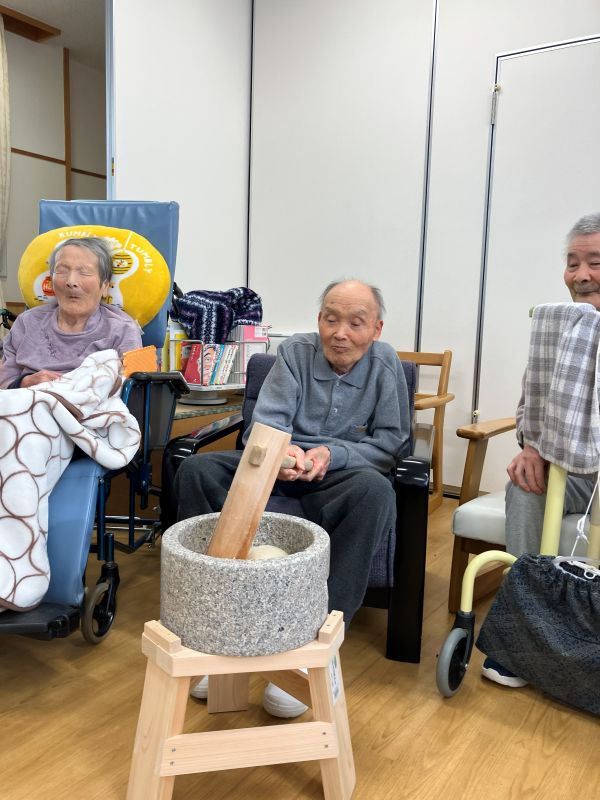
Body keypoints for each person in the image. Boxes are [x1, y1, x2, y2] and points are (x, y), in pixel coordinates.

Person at [174, 279, 411, 716]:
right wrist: (286, 454)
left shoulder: (385, 363)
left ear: (376, 329)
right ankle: (218, 629)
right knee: (197, 471)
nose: (340, 333)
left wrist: (333, 455)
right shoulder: (295, 352)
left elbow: (391, 444)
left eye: (355, 323)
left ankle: (313, 646)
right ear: (319, 320)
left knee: (376, 491)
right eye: (331, 320)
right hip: (277, 469)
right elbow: (265, 424)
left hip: (339, 477)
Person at [482, 212, 600, 689]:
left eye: (595, 262)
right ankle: (524, 631)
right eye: (572, 263)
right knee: (525, 484)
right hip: (576, 473)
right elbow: (536, 402)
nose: (581, 275)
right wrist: (532, 445)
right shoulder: (561, 329)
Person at [0, 237, 142, 389]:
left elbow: (134, 391)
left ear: (105, 286)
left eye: (84, 272)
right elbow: (4, 382)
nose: (71, 281)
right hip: (26, 400)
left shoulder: (123, 330)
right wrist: (25, 382)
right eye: (62, 270)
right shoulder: (27, 322)